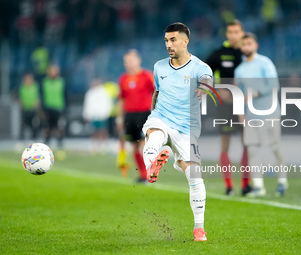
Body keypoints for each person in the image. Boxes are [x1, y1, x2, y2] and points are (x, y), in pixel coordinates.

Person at [142, 23, 212, 241]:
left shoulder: (200, 67)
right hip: (162, 117)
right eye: (166, 40)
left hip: (186, 128)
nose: (168, 45)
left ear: (185, 41)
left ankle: (198, 228)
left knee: (194, 175)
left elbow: (208, 81)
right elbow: (157, 91)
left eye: (173, 40)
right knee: (154, 133)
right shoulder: (159, 66)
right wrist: (152, 115)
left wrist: (203, 88)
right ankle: (151, 166)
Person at [235, 33, 288, 197]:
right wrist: (241, 113)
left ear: (255, 45)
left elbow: (274, 85)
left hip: (270, 112)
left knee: (275, 148)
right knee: (253, 150)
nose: (246, 47)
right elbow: (239, 94)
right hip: (251, 116)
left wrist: (254, 94)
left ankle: (282, 181)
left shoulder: (265, 63)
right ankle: (259, 187)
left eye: (249, 44)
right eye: (244, 45)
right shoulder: (240, 70)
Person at [205, 19, 251, 196]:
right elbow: (204, 74)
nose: (233, 35)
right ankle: (229, 186)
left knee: (247, 144)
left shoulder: (247, 53)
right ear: (227, 34)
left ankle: (246, 185)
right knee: (225, 145)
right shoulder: (218, 54)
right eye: (230, 32)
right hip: (226, 105)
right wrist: (217, 90)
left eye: (236, 32)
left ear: (242, 32)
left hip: (245, 105)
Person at [117, 49, 155, 182]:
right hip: (130, 115)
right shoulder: (123, 79)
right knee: (134, 145)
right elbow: (121, 99)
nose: (129, 64)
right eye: (126, 61)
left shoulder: (147, 75)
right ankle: (143, 174)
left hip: (144, 113)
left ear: (138, 61)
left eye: (131, 60)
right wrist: (119, 118)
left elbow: (156, 93)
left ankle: (148, 171)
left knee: (143, 143)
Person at [83, 79, 112, 153]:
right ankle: (95, 144)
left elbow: (107, 102)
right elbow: (87, 104)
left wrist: (106, 112)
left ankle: (104, 144)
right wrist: (86, 114)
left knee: (102, 129)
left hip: (102, 114)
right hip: (93, 114)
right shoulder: (90, 92)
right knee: (94, 130)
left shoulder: (103, 92)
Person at [42, 65, 66, 151]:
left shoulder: (61, 81)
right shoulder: (45, 82)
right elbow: (42, 95)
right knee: (48, 126)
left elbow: (65, 94)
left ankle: (60, 142)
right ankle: (46, 142)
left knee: (59, 126)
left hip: (58, 107)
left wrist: (65, 108)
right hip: (48, 107)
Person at [19, 73, 40, 142]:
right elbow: (21, 98)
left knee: (33, 125)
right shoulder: (22, 88)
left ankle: (33, 139)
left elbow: (37, 97)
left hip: (33, 109)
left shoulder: (35, 87)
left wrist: (36, 104)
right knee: (23, 125)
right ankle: (21, 140)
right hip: (25, 109)